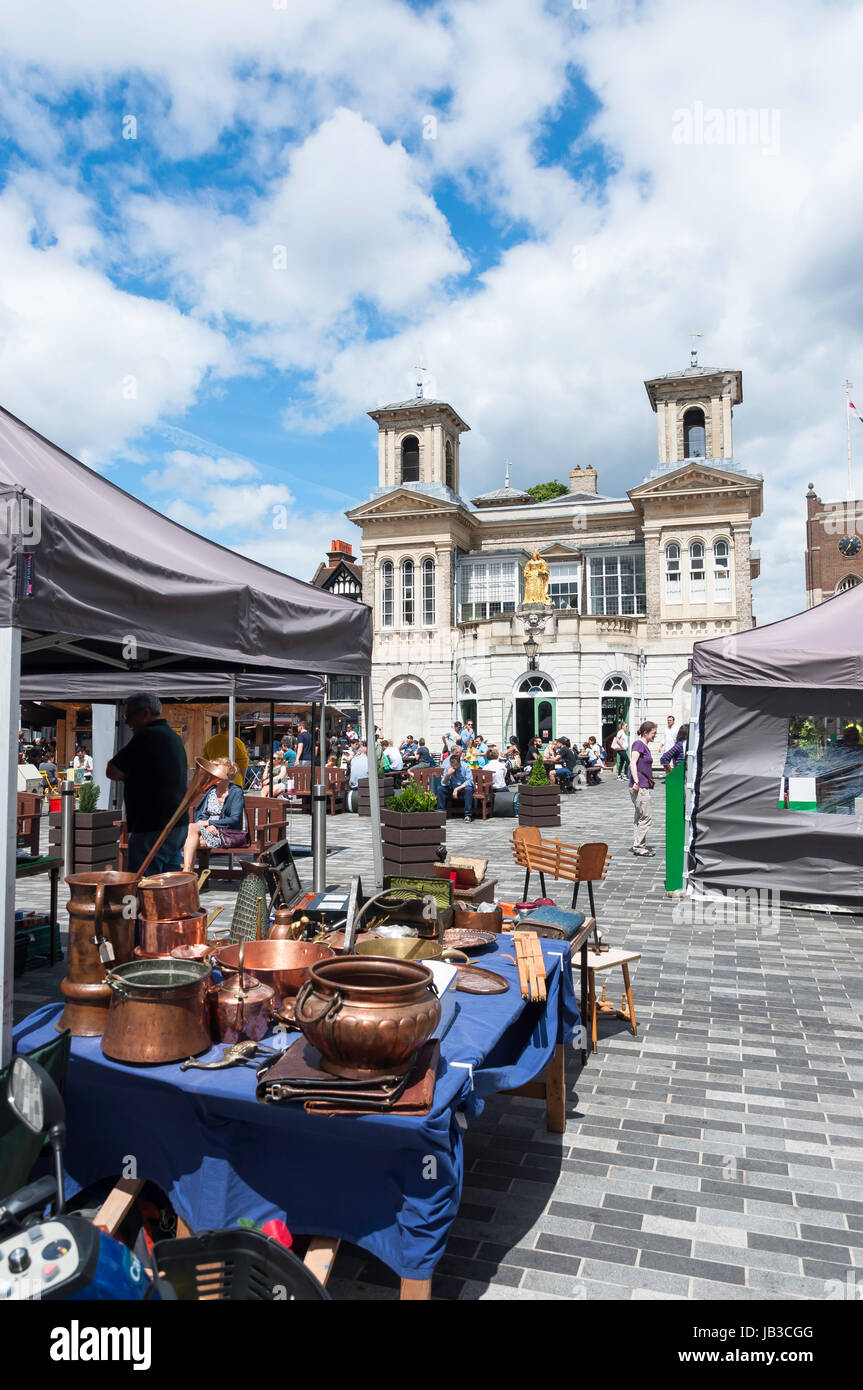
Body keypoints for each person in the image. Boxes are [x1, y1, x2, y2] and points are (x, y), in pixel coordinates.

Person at [106, 693, 188, 873]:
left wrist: (132, 776)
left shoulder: (147, 735)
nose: (127, 722)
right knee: (168, 887)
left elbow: (112, 770)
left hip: (152, 826)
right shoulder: (172, 735)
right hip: (176, 824)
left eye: (129, 716)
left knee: (145, 887)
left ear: (144, 713)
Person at [182, 757, 248, 872]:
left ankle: (187, 873)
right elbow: (200, 814)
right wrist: (207, 825)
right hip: (207, 830)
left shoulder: (235, 792)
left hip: (225, 833)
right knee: (192, 833)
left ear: (228, 776)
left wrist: (211, 823)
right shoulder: (210, 791)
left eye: (220, 773)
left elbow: (234, 819)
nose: (215, 775)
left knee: (190, 837)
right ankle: (188, 872)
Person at [628, 720, 657, 857]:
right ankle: (639, 846)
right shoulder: (638, 744)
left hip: (644, 785)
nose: (655, 736)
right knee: (646, 817)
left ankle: (639, 844)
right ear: (645, 733)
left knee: (639, 816)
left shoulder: (644, 745)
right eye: (653, 733)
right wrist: (637, 781)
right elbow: (632, 762)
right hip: (640, 786)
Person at [202, 715, 249, 787]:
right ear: (232, 725)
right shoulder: (237, 742)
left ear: (220, 725)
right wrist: (242, 779)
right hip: (234, 781)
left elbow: (204, 762)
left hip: (214, 780)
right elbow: (243, 763)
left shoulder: (210, 742)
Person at [437, 751, 474, 822]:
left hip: (462, 788)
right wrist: (448, 775)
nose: (453, 767)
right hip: (451, 788)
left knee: (469, 789)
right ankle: (441, 812)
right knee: (440, 789)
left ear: (459, 763)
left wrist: (457, 789)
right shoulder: (448, 767)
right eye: (452, 765)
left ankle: (467, 815)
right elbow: (443, 783)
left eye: (455, 765)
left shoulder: (465, 766)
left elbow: (469, 781)